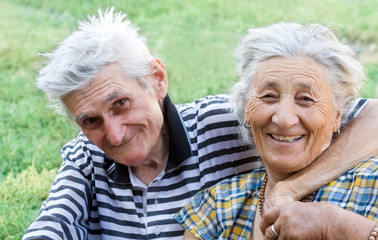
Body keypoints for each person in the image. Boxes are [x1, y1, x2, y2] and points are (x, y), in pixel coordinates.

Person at [23, 8, 378, 240]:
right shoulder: (218, 205)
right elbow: (51, 226)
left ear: (157, 80)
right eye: (91, 120)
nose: (114, 134)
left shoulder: (221, 121)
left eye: (121, 104)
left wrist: (302, 197)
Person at [175, 22, 378, 240]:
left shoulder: (371, 184)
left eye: (306, 99)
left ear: (337, 116)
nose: (284, 119)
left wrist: (336, 227)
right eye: (269, 96)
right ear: (247, 109)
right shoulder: (217, 207)